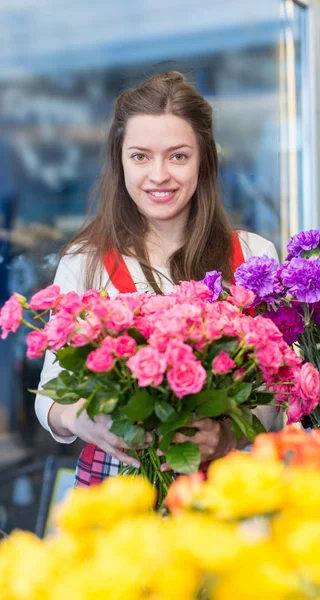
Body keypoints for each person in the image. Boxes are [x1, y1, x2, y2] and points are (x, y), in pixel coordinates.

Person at [35, 72, 279, 486]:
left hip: (227, 486)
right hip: (117, 485)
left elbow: (280, 389)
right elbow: (49, 393)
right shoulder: (86, 260)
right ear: (120, 161)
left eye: (178, 156)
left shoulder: (254, 256)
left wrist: (226, 436)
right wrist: (83, 420)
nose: (159, 175)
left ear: (204, 160)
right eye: (141, 156)